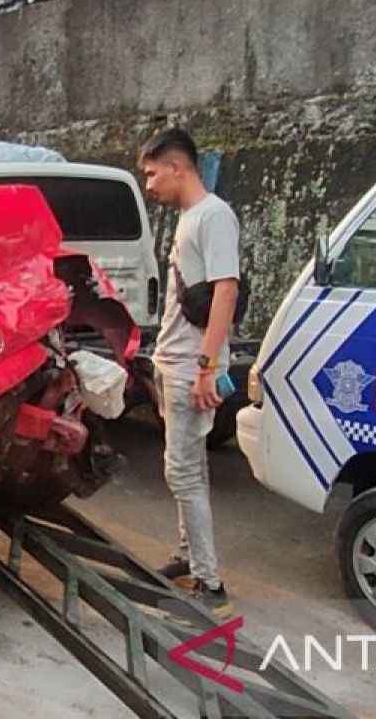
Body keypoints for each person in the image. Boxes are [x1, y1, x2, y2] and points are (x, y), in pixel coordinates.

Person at [139, 128, 240, 618]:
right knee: (189, 469)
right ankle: (190, 554)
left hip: (188, 367)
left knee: (182, 472)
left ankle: (209, 582)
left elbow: (226, 292)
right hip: (173, 360)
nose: (149, 185)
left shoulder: (214, 217)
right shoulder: (190, 218)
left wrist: (206, 366)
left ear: (177, 167)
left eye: (153, 174)